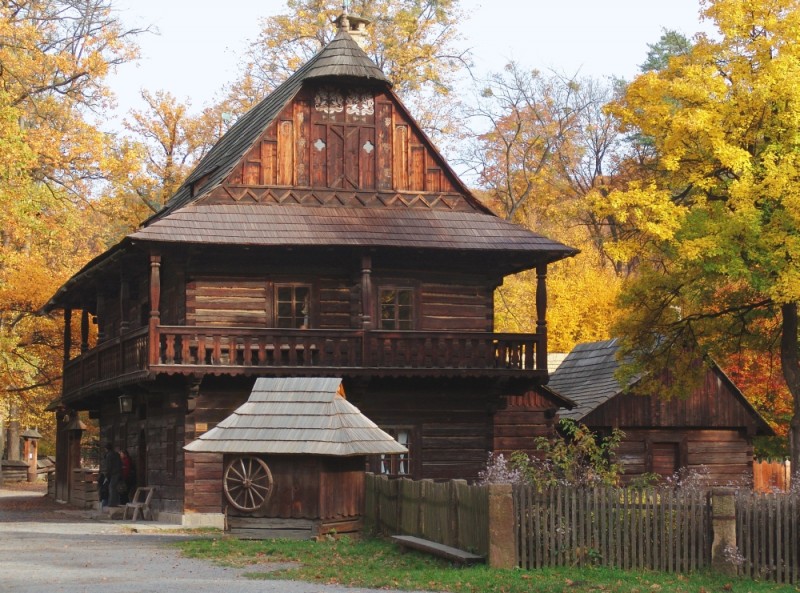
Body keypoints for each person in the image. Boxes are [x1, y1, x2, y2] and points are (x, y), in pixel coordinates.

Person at [104, 442, 122, 507]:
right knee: (115, 488)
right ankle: (116, 502)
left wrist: (106, 475)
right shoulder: (116, 454)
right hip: (118, 472)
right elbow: (120, 463)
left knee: (111, 487)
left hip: (114, 473)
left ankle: (112, 503)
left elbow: (109, 466)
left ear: (106, 449)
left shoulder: (109, 455)